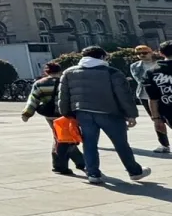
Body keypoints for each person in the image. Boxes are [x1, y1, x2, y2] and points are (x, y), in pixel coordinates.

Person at [58, 46, 149, 185]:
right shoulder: (112, 72)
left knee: (89, 144)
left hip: (82, 113)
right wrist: (131, 115)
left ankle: (93, 173)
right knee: (121, 144)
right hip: (110, 113)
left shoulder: (69, 72)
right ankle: (134, 171)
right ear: (102, 57)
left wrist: (65, 112)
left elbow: (63, 96)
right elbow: (123, 96)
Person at [21, 61, 85, 175]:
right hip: (66, 115)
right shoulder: (66, 82)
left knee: (60, 137)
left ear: (47, 72)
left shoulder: (39, 83)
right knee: (65, 138)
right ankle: (63, 165)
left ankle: (79, 161)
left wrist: (27, 114)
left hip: (50, 115)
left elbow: (33, 100)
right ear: (60, 71)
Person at [130, 46, 171, 154]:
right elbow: (140, 80)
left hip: (164, 94)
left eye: (145, 53)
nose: (142, 55)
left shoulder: (162, 63)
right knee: (156, 119)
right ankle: (164, 144)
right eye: (139, 54)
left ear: (151, 52)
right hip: (146, 96)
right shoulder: (135, 66)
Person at [140, 42, 172, 160]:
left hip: (168, 110)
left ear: (160, 53)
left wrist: (156, 118)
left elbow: (153, 98)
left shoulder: (152, 72)